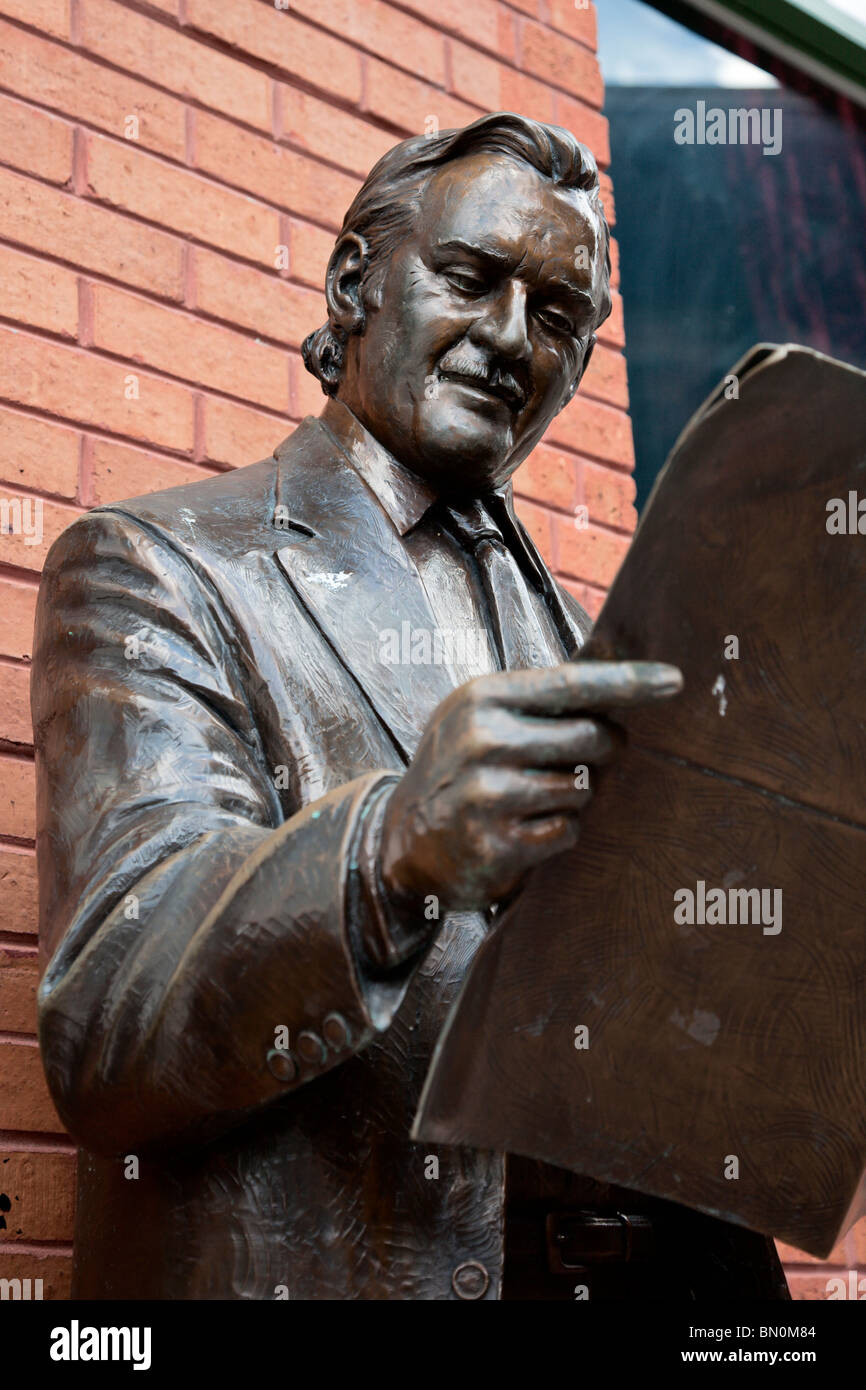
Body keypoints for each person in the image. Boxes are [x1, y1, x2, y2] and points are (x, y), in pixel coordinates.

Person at [32, 112, 789, 1300]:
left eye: (556, 318)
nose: (507, 339)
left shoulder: (597, 644)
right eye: (470, 278)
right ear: (354, 282)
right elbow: (110, 1018)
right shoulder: (161, 565)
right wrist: (391, 850)